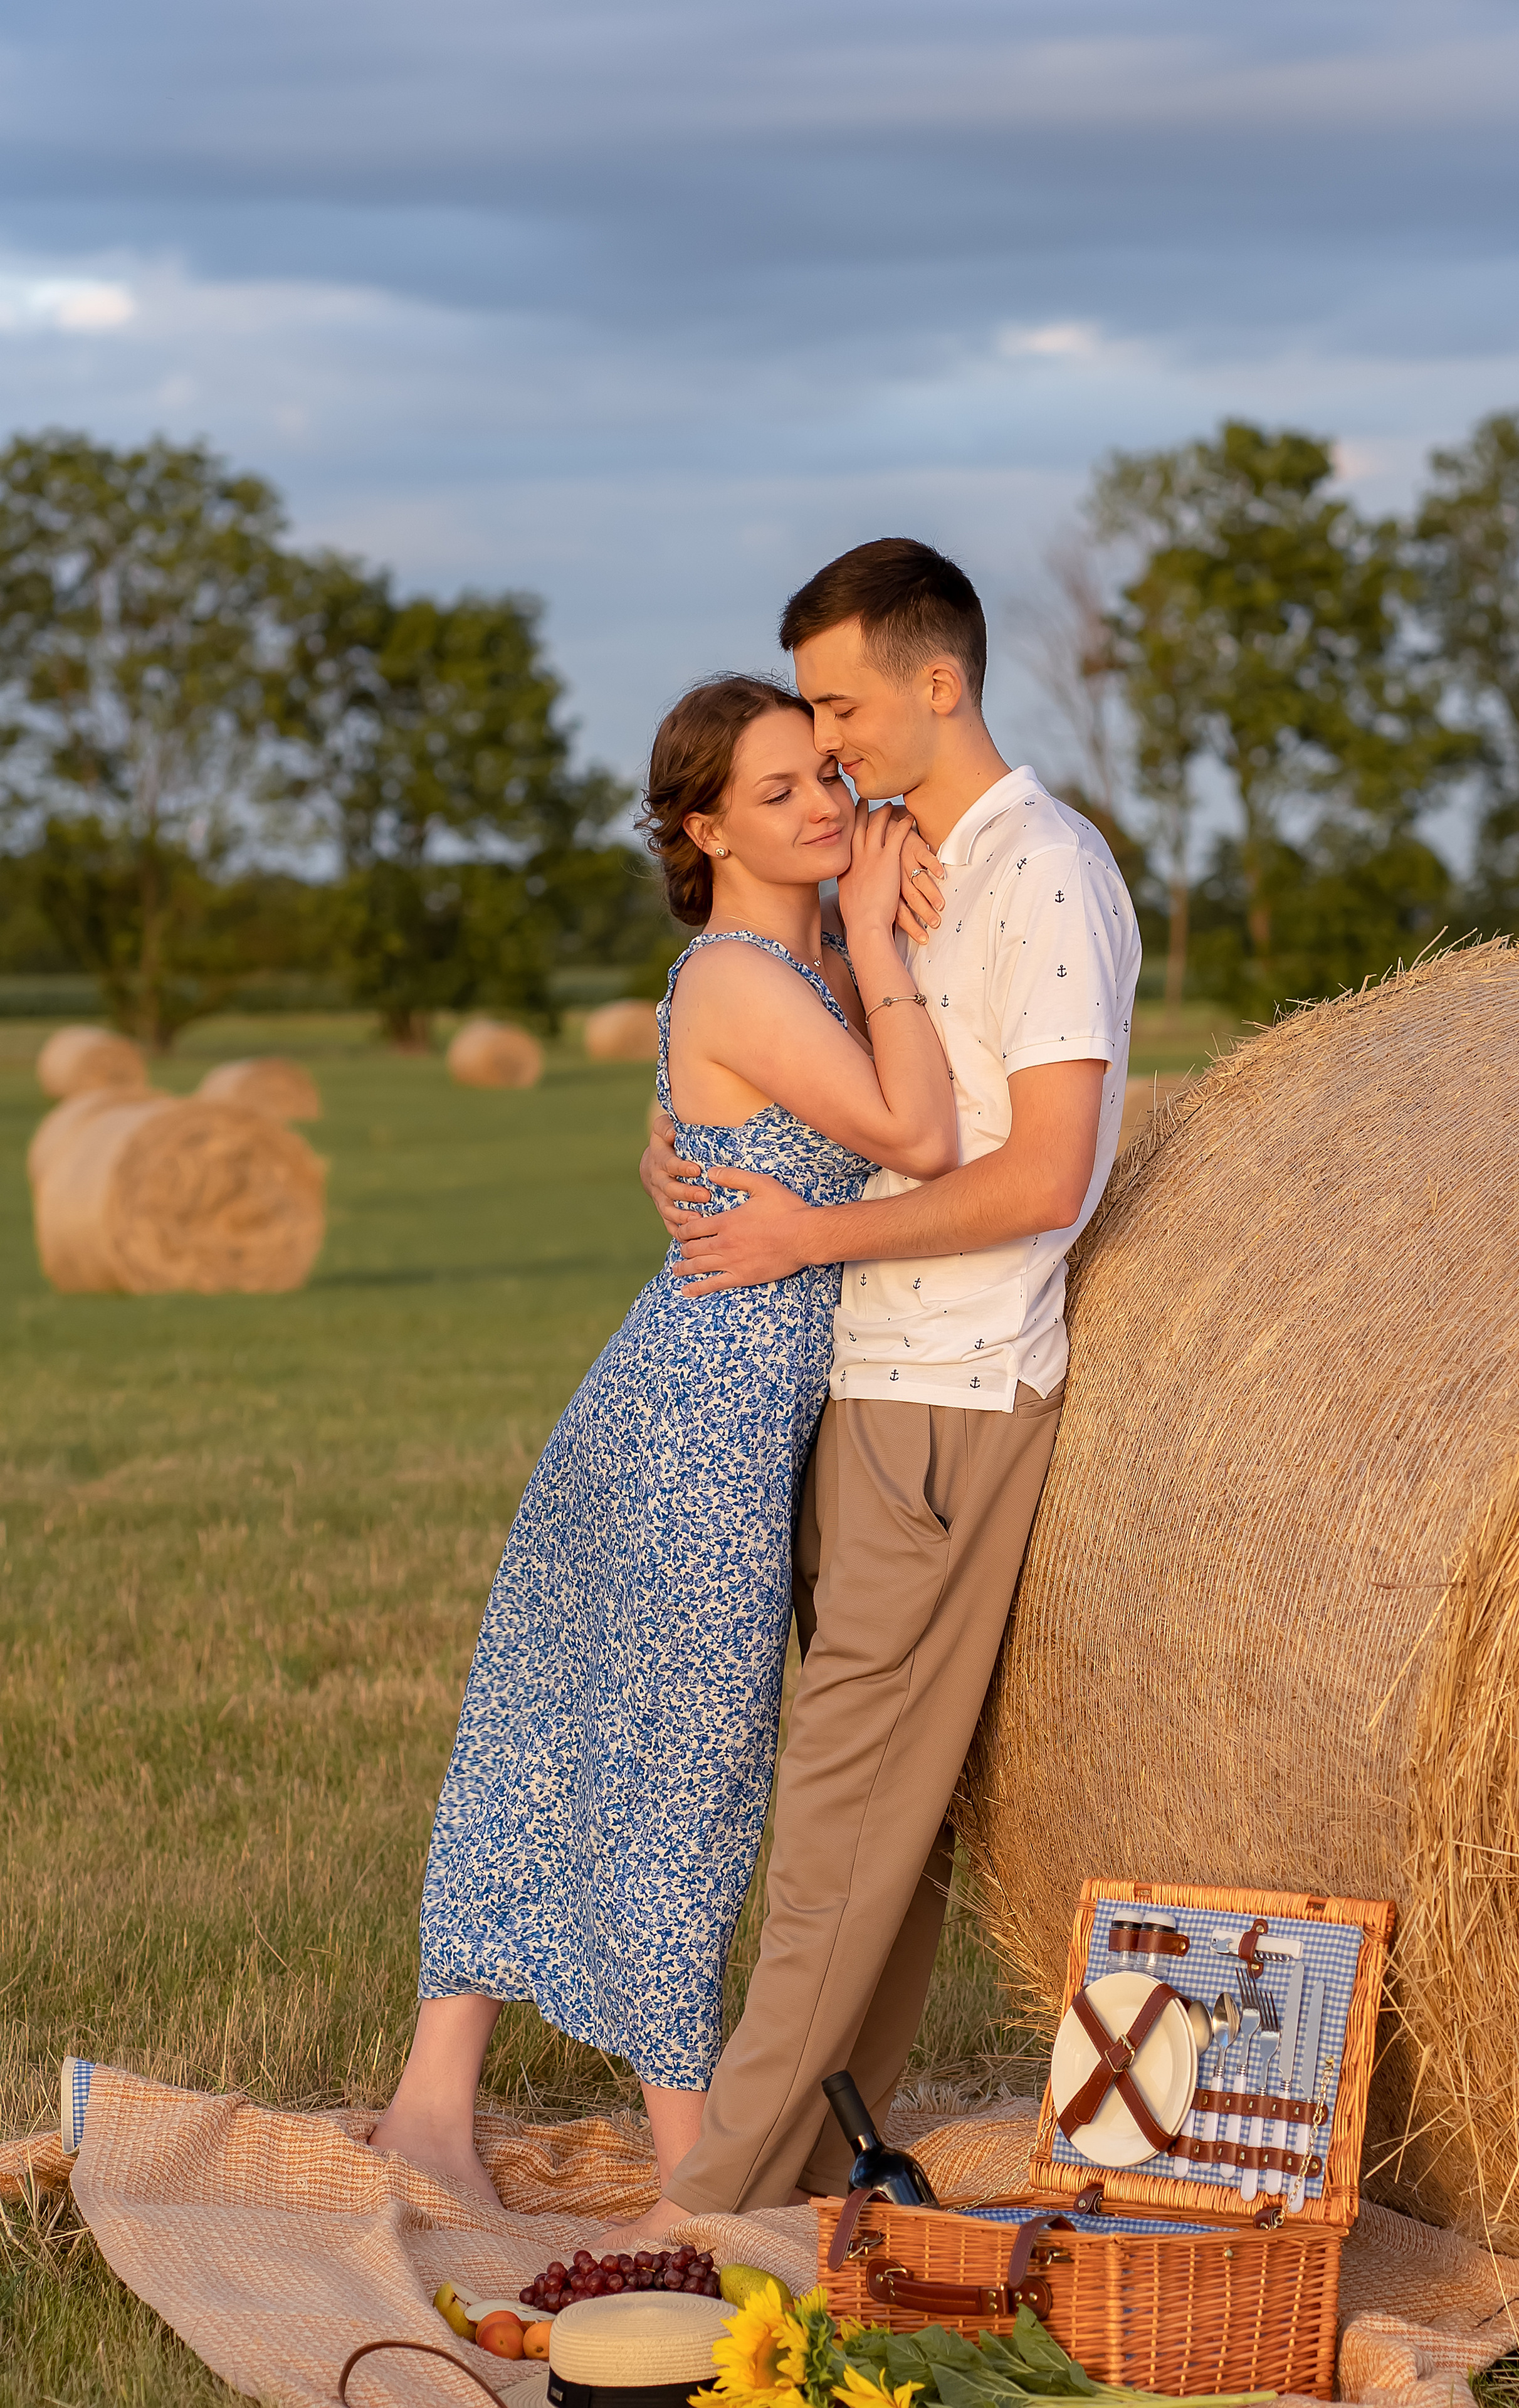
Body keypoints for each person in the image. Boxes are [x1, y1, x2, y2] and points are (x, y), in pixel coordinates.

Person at [369, 672, 957, 2208]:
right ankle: (688, 2144)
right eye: (778, 794)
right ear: (704, 827)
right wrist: (885, 938)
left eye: (825, 776)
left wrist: (876, 864)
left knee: (563, 1733)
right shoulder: (744, 976)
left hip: (704, 1401)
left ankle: (436, 2100)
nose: (823, 805)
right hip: (694, 1418)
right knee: (681, 1771)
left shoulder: (792, 946)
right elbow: (915, 1138)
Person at [623, 537, 1141, 2233]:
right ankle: (819, 2168)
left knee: (836, 1835)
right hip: (870, 1388)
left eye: (841, 705)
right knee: (873, 1832)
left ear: (941, 681)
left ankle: (713, 2208)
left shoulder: (1043, 873)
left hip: (946, 1395)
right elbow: (827, 1088)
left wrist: (804, 1246)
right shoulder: (926, 865)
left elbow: (1043, 1177)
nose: (829, 745)